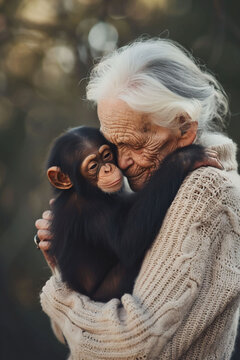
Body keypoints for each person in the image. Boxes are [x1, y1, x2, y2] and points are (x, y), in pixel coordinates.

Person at [36, 38, 240, 359]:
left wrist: (58, 294)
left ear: (183, 129)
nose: (121, 162)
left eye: (132, 143)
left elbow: (130, 346)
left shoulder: (205, 189)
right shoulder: (146, 186)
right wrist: (69, 260)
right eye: (113, 145)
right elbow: (70, 336)